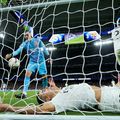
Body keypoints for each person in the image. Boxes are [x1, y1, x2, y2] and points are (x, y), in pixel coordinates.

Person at [1, 75, 120, 114]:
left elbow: (62, 91)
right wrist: (9, 107)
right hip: (110, 99)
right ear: (47, 98)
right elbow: (41, 109)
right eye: (43, 91)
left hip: (110, 90)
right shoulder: (59, 101)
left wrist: (54, 87)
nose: (45, 88)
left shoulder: (62, 92)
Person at [5, 31, 49, 99]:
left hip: (41, 61)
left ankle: (45, 91)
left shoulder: (37, 40)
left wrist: (46, 54)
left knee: (44, 76)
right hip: (32, 62)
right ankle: (24, 93)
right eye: (25, 35)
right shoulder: (25, 43)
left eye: (27, 35)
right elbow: (18, 51)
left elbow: (45, 50)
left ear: (30, 35)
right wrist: (11, 54)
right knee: (27, 74)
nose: (26, 36)